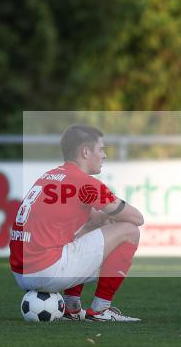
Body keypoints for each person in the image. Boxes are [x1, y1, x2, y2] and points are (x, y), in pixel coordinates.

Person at [10, 124, 145, 321]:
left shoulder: (50, 176)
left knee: (90, 229)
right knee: (130, 231)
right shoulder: (85, 183)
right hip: (46, 270)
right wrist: (113, 216)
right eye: (101, 150)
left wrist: (103, 219)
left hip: (21, 272)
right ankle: (101, 310)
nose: (104, 156)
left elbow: (90, 220)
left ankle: (71, 307)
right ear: (85, 151)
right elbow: (137, 218)